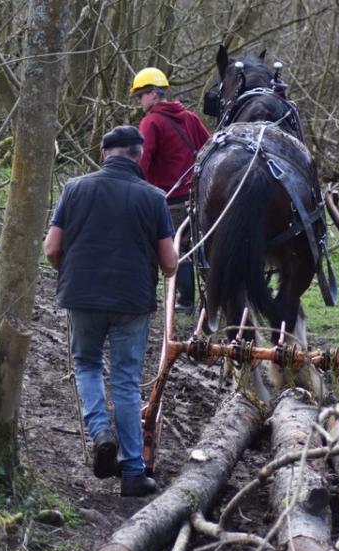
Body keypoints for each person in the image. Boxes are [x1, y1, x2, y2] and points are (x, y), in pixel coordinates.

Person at [43, 125, 178, 497]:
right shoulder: (154, 198)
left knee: (86, 364)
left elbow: (52, 249)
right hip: (132, 301)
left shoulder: (74, 189)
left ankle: (100, 431)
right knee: (126, 380)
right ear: (138, 155)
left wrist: (74, 275)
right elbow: (169, 263)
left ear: (104, 154)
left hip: (82, 295)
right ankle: (134, 471)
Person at [130, 67, 211, 313]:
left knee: (177, 247)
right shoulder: (191, 118)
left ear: (154, 94)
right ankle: (205, 301)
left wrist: (133, 189)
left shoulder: (151, 122)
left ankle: (184, 302)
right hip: (197, 195)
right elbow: (210, 149)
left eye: (141, 95)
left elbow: (141, 162)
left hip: (167, 198)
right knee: (198, 245)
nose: (139, 101)